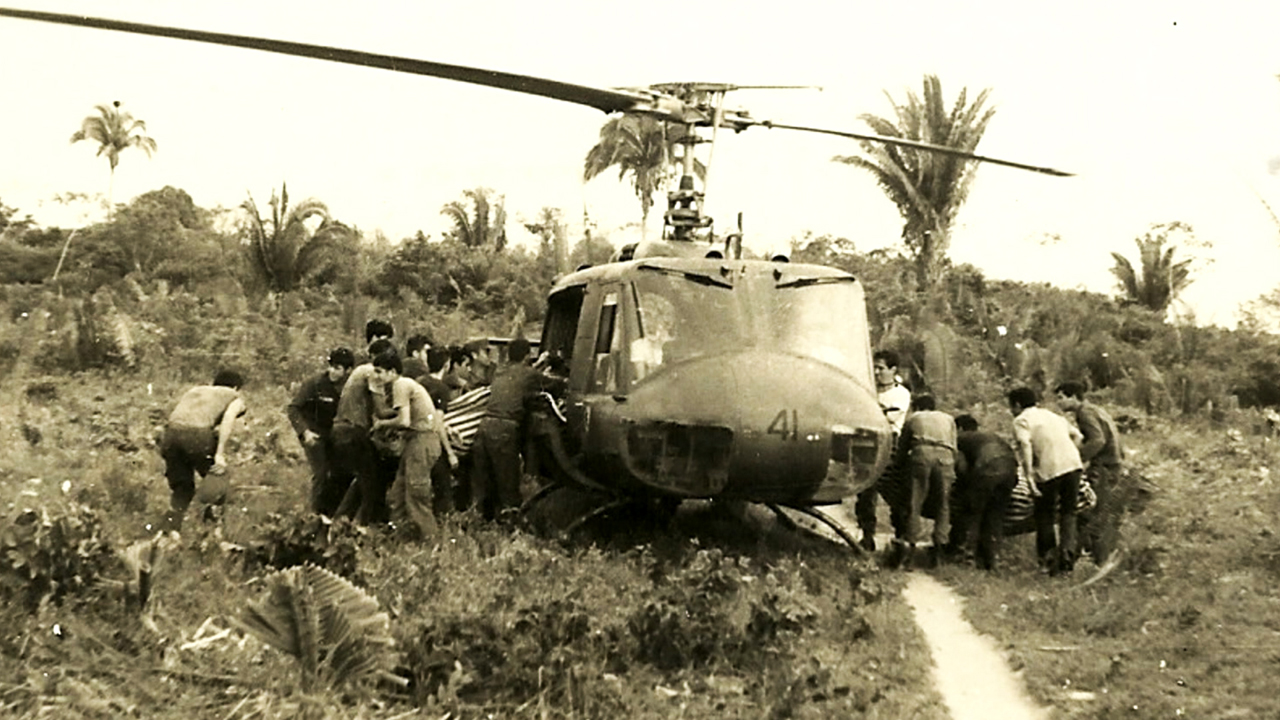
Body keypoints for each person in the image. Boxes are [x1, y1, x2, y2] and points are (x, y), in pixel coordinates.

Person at [468, 338, 564, 521]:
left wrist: (537, 365)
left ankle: (477, 520)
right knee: (508, 480)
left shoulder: (500, 370)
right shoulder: (529, 374)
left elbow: (519, 376)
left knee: (483, 480)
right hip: (504, 429)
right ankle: (511, 521)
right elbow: (554, 384)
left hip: (484, 426)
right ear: (527, 356)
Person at [369, 351, 458, 539]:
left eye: (379, 372)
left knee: (416, 493)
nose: (376, 376)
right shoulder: (404, 384)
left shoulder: (400, 385)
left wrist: (382, 424)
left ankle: (430, 539)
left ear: (392, 372)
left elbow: (404, 421)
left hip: (423, 441)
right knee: (398, 493)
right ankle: (398, 536)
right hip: (415, 441)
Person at [1009, 386, 1084, 575]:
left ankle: (1047, 561)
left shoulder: (1022, 420)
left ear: (1017, 405)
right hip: (1073, 466)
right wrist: (1069, 452)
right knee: (1069, 513)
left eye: (1011, 407)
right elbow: (1078, 436)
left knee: (1044, 514)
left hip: (1049, 470)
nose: (1011, 411)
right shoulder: (1053, 415)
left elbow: (1025, 444)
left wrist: (1029, 474)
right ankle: (1067, 560)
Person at [159, 369, 247, 530]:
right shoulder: (234, 396)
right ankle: (213, 529)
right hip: (197, 435)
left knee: (182, 488)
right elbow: (228, 419)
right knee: (218, 477)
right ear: (236, 387)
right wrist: (219, 453)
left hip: (170, 434)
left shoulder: (195, 390)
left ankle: (169, 531)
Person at [1055, 381, 1125, 565]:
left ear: (1073, 397)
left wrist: (1077, 459)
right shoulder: (1095, 409)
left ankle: (1094, 558)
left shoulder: (1085, 413)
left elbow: (1097, 440)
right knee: (1100, 511)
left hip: (1104, 467)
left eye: (1061, 397)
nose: (1058, 402)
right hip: (1113, 464)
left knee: (1090, 512)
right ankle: (1095, 556)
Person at [330, 338, 398, 525]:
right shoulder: (373, 373)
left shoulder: (360, 370)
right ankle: (359, 526)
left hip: (341, 429)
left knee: (363, 479)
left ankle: (341, 521)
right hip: (353, 431)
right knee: (372, 483)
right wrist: (404, 411)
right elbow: (381, 411)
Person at [886, 394, 956, 569]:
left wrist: (897, 467)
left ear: (916, 407)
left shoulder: (914, 418)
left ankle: (909, 553)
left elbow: (902, 448)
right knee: (943, 504)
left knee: (915, 503)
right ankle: (938, 551)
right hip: (946, 456)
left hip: (921, 454)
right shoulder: (949, 419)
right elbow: (954, 448)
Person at [287, 347, 356, 515]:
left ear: (348, 370)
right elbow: (293, 408)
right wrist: (305, 432)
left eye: (337, 368)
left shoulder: (351, 386)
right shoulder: (315, 383)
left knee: (342, 472)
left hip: (335, 433)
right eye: (331, 366)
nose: (332, 371)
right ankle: (314, 515)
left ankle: (335, 512)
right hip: (313, 432)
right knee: (321, 472)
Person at [855, 349, 912, 552]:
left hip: (890, 444)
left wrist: (869, 411)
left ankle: (901, 538)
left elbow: (888, 418)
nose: (877, 373)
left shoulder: (901, 393)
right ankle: (867, 537)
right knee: (864, 492)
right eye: (875, 368)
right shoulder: (868, 391)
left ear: (893, 370)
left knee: (894, 492)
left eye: (881, 368)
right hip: (866, 443)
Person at [947, 414, 1019, 571]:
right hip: (1010, 472)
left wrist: (961, 486)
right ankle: (992, 560)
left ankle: (966, 558)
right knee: (995, 516)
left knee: (972, 513)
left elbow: (961, 468)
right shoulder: (991, 436)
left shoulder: (960, 438)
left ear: (959, 428)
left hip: (987, 471)